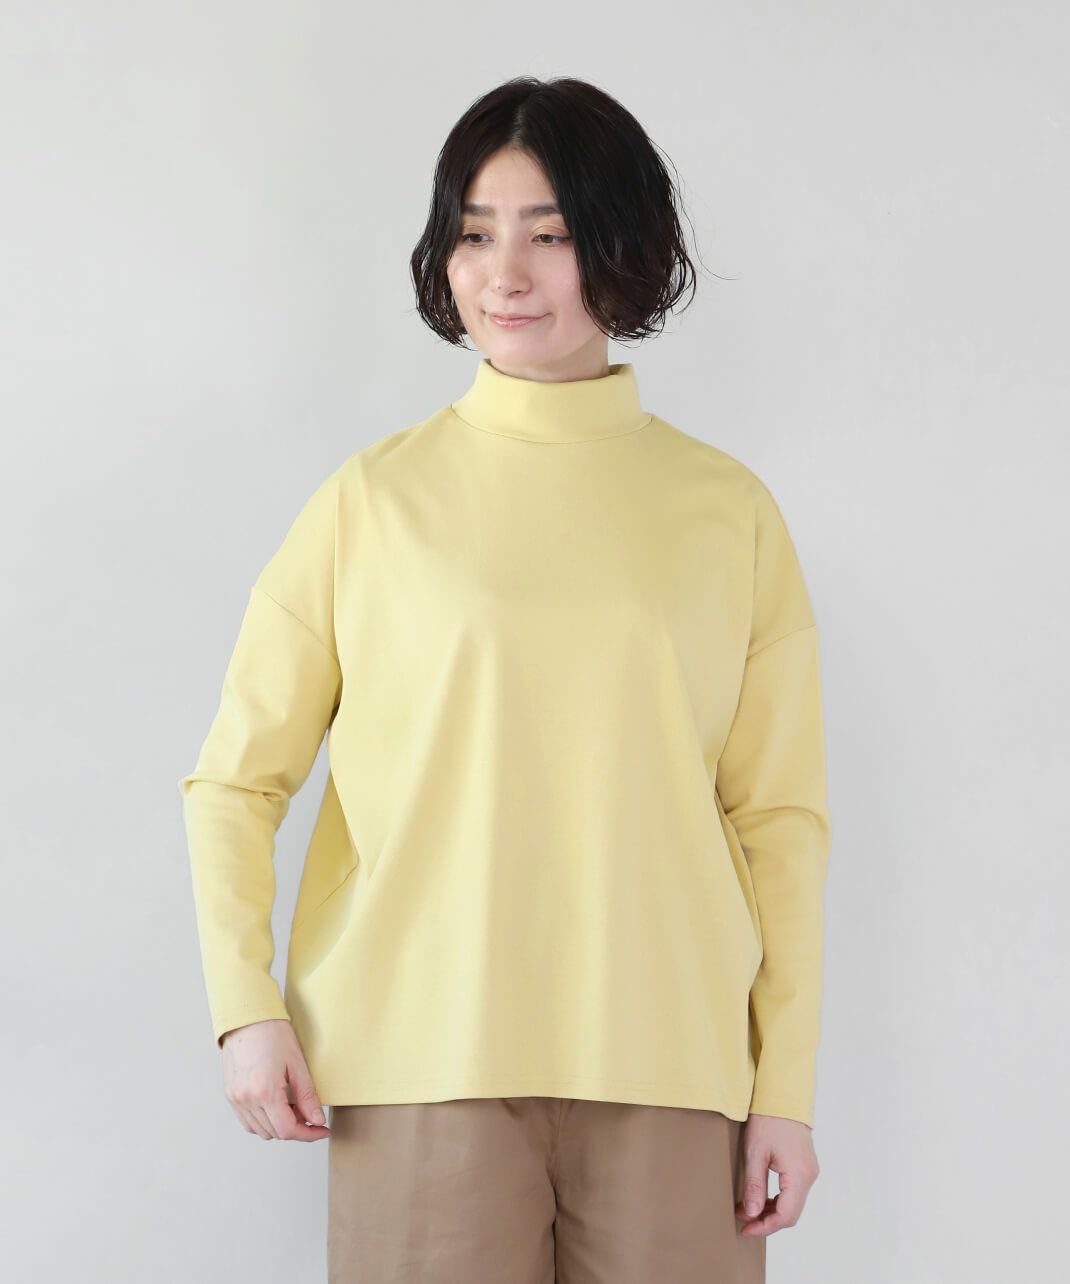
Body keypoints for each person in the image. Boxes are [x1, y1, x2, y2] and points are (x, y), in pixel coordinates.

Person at [179, 75, 831, 1283]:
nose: (505, 275)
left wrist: (780, 1087)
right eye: (474, 235)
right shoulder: (371, 502)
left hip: (673, 1067)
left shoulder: (726, 512)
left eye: (551, 234)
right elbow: (235, 782)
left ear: (623, 246)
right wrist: (245, 1009)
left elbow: (777, 821)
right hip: (419, 1063)